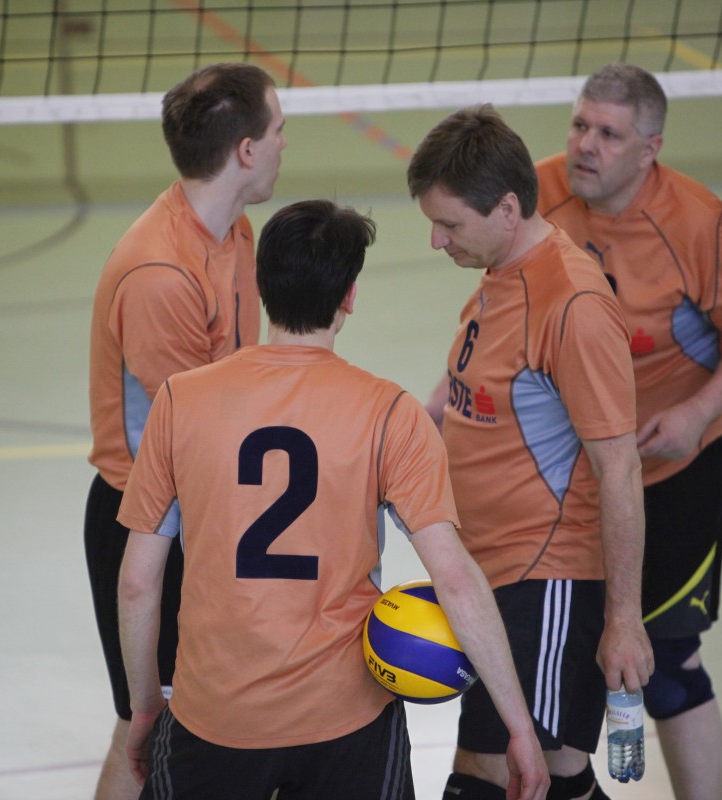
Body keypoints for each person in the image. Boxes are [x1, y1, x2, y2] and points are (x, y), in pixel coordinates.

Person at [116, 200, 550, 800]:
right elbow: (454, 578)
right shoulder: (391, 413)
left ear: (261, 285)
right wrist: (519, 727)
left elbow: (138, 583)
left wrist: (145, 707)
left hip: (214, 716)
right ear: (349, 296)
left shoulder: (178, 401)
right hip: (348, 720)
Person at [535, 63, 722, 800]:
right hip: (571, 468)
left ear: (650, 149)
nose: (586, 145)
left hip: (675, 465)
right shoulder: (539, 194)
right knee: (563, 650)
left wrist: (697, 413)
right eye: (580, 124)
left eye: (609, 134)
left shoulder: (700, 225)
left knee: (667, 659)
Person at [408, 105, 654, 800]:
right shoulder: (500, 274)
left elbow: (619, 467)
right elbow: (459, 395)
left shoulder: (572, 305)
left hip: (544, 581)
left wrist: (623, 621)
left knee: (489, 775)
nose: (435, 240)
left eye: (450, 224)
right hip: (488, 577)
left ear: (507, 209)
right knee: (559, 776)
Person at [84, 61, 286, 800]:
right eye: (279, 131)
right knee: (148, 728)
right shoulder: (160, 273)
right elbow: (198, 434)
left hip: (204, 508)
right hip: (148, 520)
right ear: (246, 151)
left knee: (218, 723)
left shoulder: (236, 233)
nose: (284, 144)